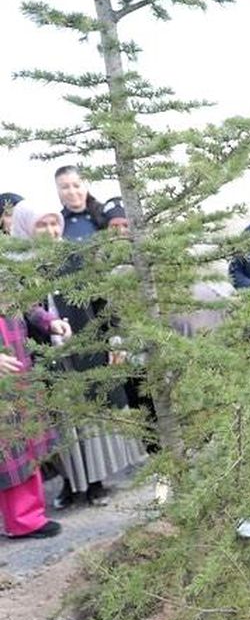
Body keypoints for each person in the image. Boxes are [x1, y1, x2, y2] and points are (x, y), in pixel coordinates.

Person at [43, 177, 145, 508]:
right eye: (41, 225)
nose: (49, 230)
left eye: (53, 224)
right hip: (48, 355)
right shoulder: (25, 266)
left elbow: (103, 301)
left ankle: (97, 479)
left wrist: (115, 337)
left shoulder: (79, 252)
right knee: (62, 422)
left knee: (92, 414)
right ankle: (72, 484)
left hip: (86, 344)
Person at [1, 203, 75, 539]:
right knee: (8, 449)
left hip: (20, 366)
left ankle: (29, 518)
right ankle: (21, 521)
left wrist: (52, 322)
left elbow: (27, 304)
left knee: (24, 442)